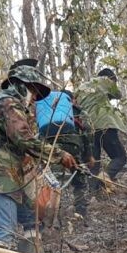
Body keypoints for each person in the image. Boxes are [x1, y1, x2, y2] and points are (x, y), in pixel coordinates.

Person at [0, 62, 77, 253]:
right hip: (0, 178)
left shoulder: (11, 105)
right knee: (4, 232)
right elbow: (23, 139)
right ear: (22, 86)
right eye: (33, 91)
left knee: (31, 221)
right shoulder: (7, 104)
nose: (33, 99)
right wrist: (58, 154)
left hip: (16, 178)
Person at [37, 86, 94, 218]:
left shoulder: (48, 110)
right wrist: (89, 155)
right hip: (73, 146)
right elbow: (88, 133)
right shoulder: (79, 112)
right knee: (80, 179)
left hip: (51, 147)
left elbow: (40, 133)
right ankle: (81, 213)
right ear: (71, 100)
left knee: (53, 182)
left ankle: (53, 217)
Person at [76, 67, 127, 197]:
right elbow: (118, 95)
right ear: (110, 78)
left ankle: (94, 195)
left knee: (93, 163)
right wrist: (111, 86)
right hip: (104, 124)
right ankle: (106, 175)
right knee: (120, 157)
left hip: (87, 128)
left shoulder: (81, 88)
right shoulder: (104, 81)